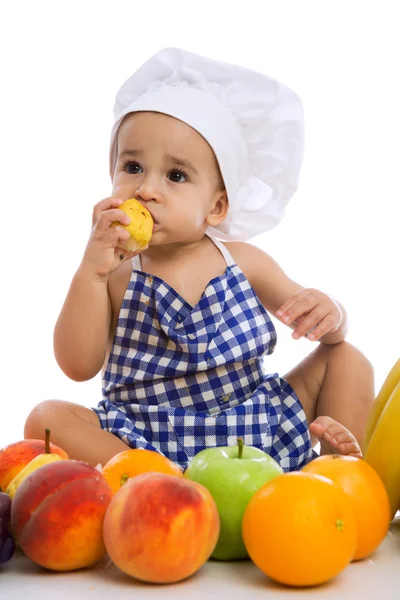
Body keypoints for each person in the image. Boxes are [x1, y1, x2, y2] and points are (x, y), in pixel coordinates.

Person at [24, 48, 374, 472]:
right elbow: (77, 367)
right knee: (45, 418)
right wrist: (91, 273)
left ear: (217, 207)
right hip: (148, 437)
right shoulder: (115, 271)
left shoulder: (242, 262)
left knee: (347, 357)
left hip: (254, 424)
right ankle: (168, 484)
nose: (146, 189)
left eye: (175, 176)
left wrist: (331, 314)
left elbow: (324, 334)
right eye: (132, 166)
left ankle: (338, 474)